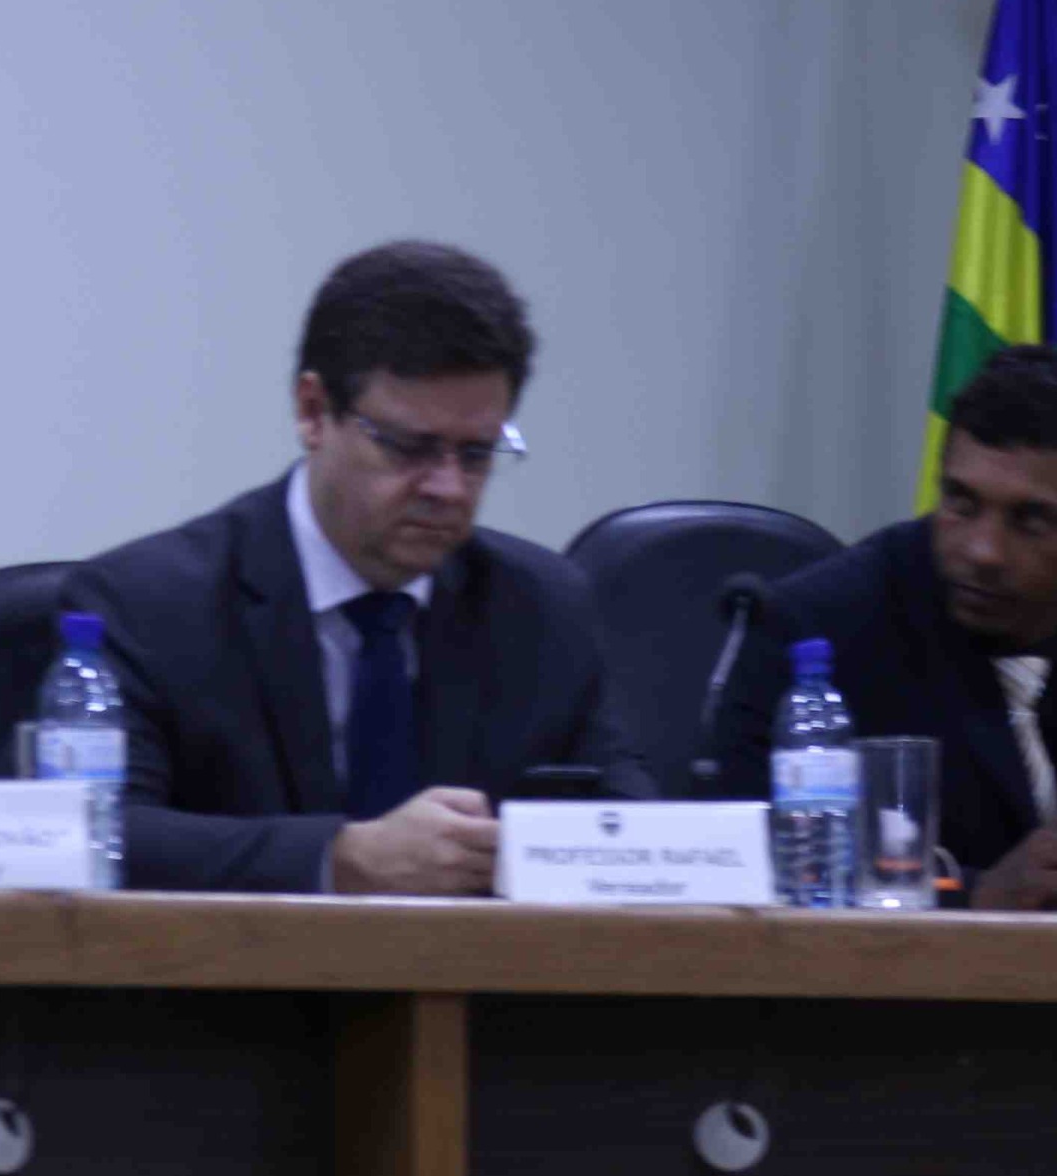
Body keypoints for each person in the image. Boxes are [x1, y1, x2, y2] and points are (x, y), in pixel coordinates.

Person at [64, 241, 648, 894]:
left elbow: (634, 834)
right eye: (410, 447)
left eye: (477, 454)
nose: (449, 488)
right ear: (314, 412)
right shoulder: (149, 602)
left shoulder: (541, 606)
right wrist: (339, 858)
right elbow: (96, 835)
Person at [708, 344, 1057, 909]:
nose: (982, 550)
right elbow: (730, 865)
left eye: (1031, 520)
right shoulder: (818, 626)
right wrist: (973, 893)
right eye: (961, 504)